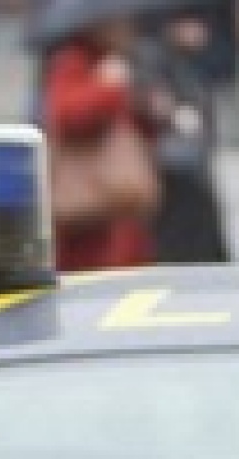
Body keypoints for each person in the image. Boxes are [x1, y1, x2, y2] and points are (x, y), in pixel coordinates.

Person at [42, 17, 159, 272]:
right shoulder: (73, 61)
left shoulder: (122, 61)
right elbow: (68, 116)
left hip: (119, 198)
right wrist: (108, 87)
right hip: (89, 195)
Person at [137, 12, 230, 263]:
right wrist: (176, 114)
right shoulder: (152, 55)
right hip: (172, 161)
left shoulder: (189, 60)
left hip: (190, 156)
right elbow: (152, 100)